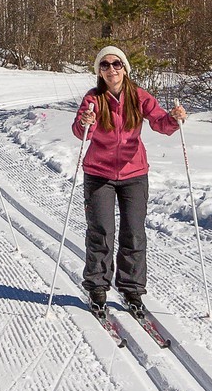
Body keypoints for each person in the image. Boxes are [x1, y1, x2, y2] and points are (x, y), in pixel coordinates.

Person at [72, 44, 186, 317]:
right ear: (99, 71)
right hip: (99, 174)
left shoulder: (139, 96)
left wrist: (173, 119)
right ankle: (97, 288)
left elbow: (160, 122)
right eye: (105, 65)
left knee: (134, 233)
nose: (111, 69)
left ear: (125, 68)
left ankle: (132, 289)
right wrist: (87, 121)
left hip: (134, 174)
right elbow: (80, 132)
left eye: (116, 64)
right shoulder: (93, 98)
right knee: (101, 232)